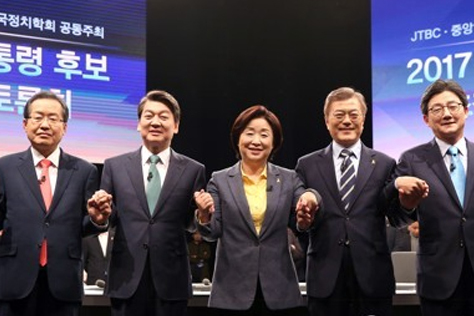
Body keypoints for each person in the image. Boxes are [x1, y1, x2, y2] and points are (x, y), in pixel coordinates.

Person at [195, 105, 319, 316]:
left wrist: (310, 201)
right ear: (238, 138)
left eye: (264, 134)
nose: (256, 141)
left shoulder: (288, 179)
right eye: (249, 133)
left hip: (280, 292)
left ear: (274, 142)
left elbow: (302, 219)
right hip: (231, 293)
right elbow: (212, 232)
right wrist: (204, 214)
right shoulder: (220, 179)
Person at [0, 91, 111, 316]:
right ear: (25, 124)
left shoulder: (84, 171)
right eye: (37, 117)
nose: (44, 124)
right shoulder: (5, 167)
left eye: (53, 118)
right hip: (14, 278)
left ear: (65, 127)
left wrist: (98, 220)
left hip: (64, 281)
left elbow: (83, 225)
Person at [96, 90, 206, 316]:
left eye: (164, 117)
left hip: (172, 280)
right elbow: (110, 217)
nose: (155, 122)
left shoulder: (194, 170)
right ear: (138, 124)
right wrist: (103, 215)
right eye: (148, 116)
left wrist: (202, 215)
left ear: (175, 126)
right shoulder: (114, 166)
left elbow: (190, 223)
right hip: (126, 276)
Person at [389, 79, 474, 316]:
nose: (446, 114)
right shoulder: (411, 159)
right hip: (438, 279)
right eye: (437, 109)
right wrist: (407, 203)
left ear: (466, 111)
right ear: (426, 119)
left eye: (453, 106)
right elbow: (396, 216)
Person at [295, 87, 398, 316]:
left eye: (353, 115)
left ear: (363, 118)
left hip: (373, 279)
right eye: (339, 115)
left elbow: (397, 215)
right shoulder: (307, 165)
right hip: (325, 280)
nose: (347, 121)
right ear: (326, 120)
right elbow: (299, 222)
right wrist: (304, 216)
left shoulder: (385, 164)